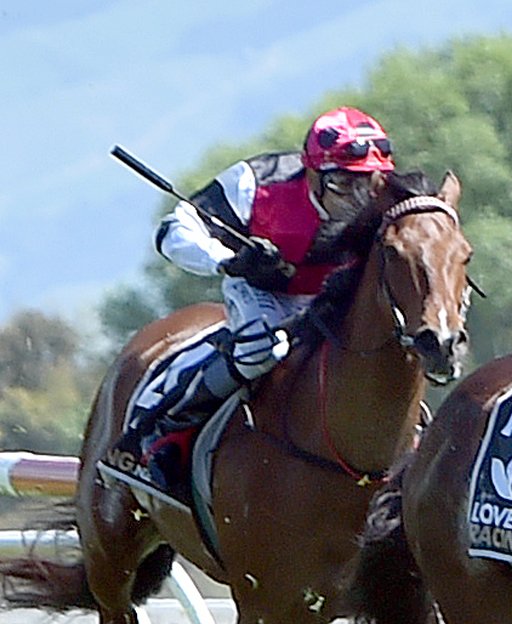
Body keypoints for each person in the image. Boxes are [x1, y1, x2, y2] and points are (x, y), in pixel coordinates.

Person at [120, 106, 398, 476]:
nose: (358, 201)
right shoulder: (258, 183)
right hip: (266, 292)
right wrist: (229, 260)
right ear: (312, 173)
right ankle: (171, 429)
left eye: (368, 183)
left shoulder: (388, 198)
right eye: (343, 185)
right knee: (260, 348)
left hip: (336, 296)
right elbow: (173, 230)